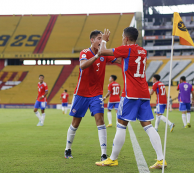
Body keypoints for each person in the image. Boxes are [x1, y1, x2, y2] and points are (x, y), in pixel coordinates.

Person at [95, 27, 167, 169]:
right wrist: (116, 60)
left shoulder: (126, 49)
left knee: (121, 124)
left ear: (126, 38)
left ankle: (113, 159)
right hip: (144, 93)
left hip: (130, 94)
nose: (122, 39)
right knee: (148, 125)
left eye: (123, 36)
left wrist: (104, 40)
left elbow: (102, 51)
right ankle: (161, 159)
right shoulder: (142, 51)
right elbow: (128, 62)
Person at [64, 30, 120, 160]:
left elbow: (118, 60)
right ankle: (68, 149)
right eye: (99, 38)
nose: (101, 41)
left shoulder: (104, 54)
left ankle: (104, 154)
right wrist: (96, 56)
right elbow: (83, 66)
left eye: (102, 39)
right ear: (92, 40)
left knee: (100, 120)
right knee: (75, 123)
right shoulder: (84, 52)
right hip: (81, 94)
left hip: (96, 94)